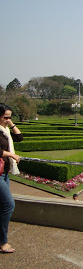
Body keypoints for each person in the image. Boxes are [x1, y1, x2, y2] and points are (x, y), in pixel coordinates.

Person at [0, 104, 23, 253]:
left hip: (5, 172)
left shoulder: (6, 130)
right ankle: (3, 242)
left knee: (2, 206)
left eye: (10, 116)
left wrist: (11, 124)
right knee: (9, 205)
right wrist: (12, 155)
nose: (8, 119)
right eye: (5, 117)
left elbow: (20, 138)